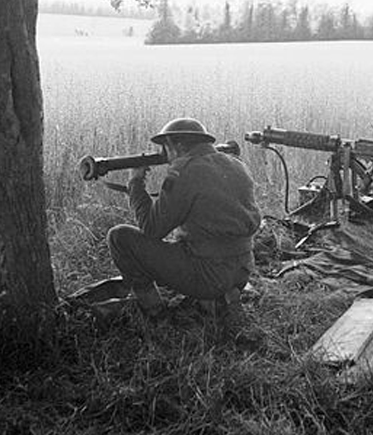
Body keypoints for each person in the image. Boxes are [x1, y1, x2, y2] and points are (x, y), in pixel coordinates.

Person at [107, 117, 261, 321]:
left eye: (166, 148)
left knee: (119, 237)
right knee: (186, 243)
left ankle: (154, 312)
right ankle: (219, 299)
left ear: (177, 146)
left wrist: (135, 182)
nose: (166, 156)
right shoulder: (236, 164)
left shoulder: (184, 171)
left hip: (210, 276)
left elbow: (151, 229)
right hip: (242, 271)